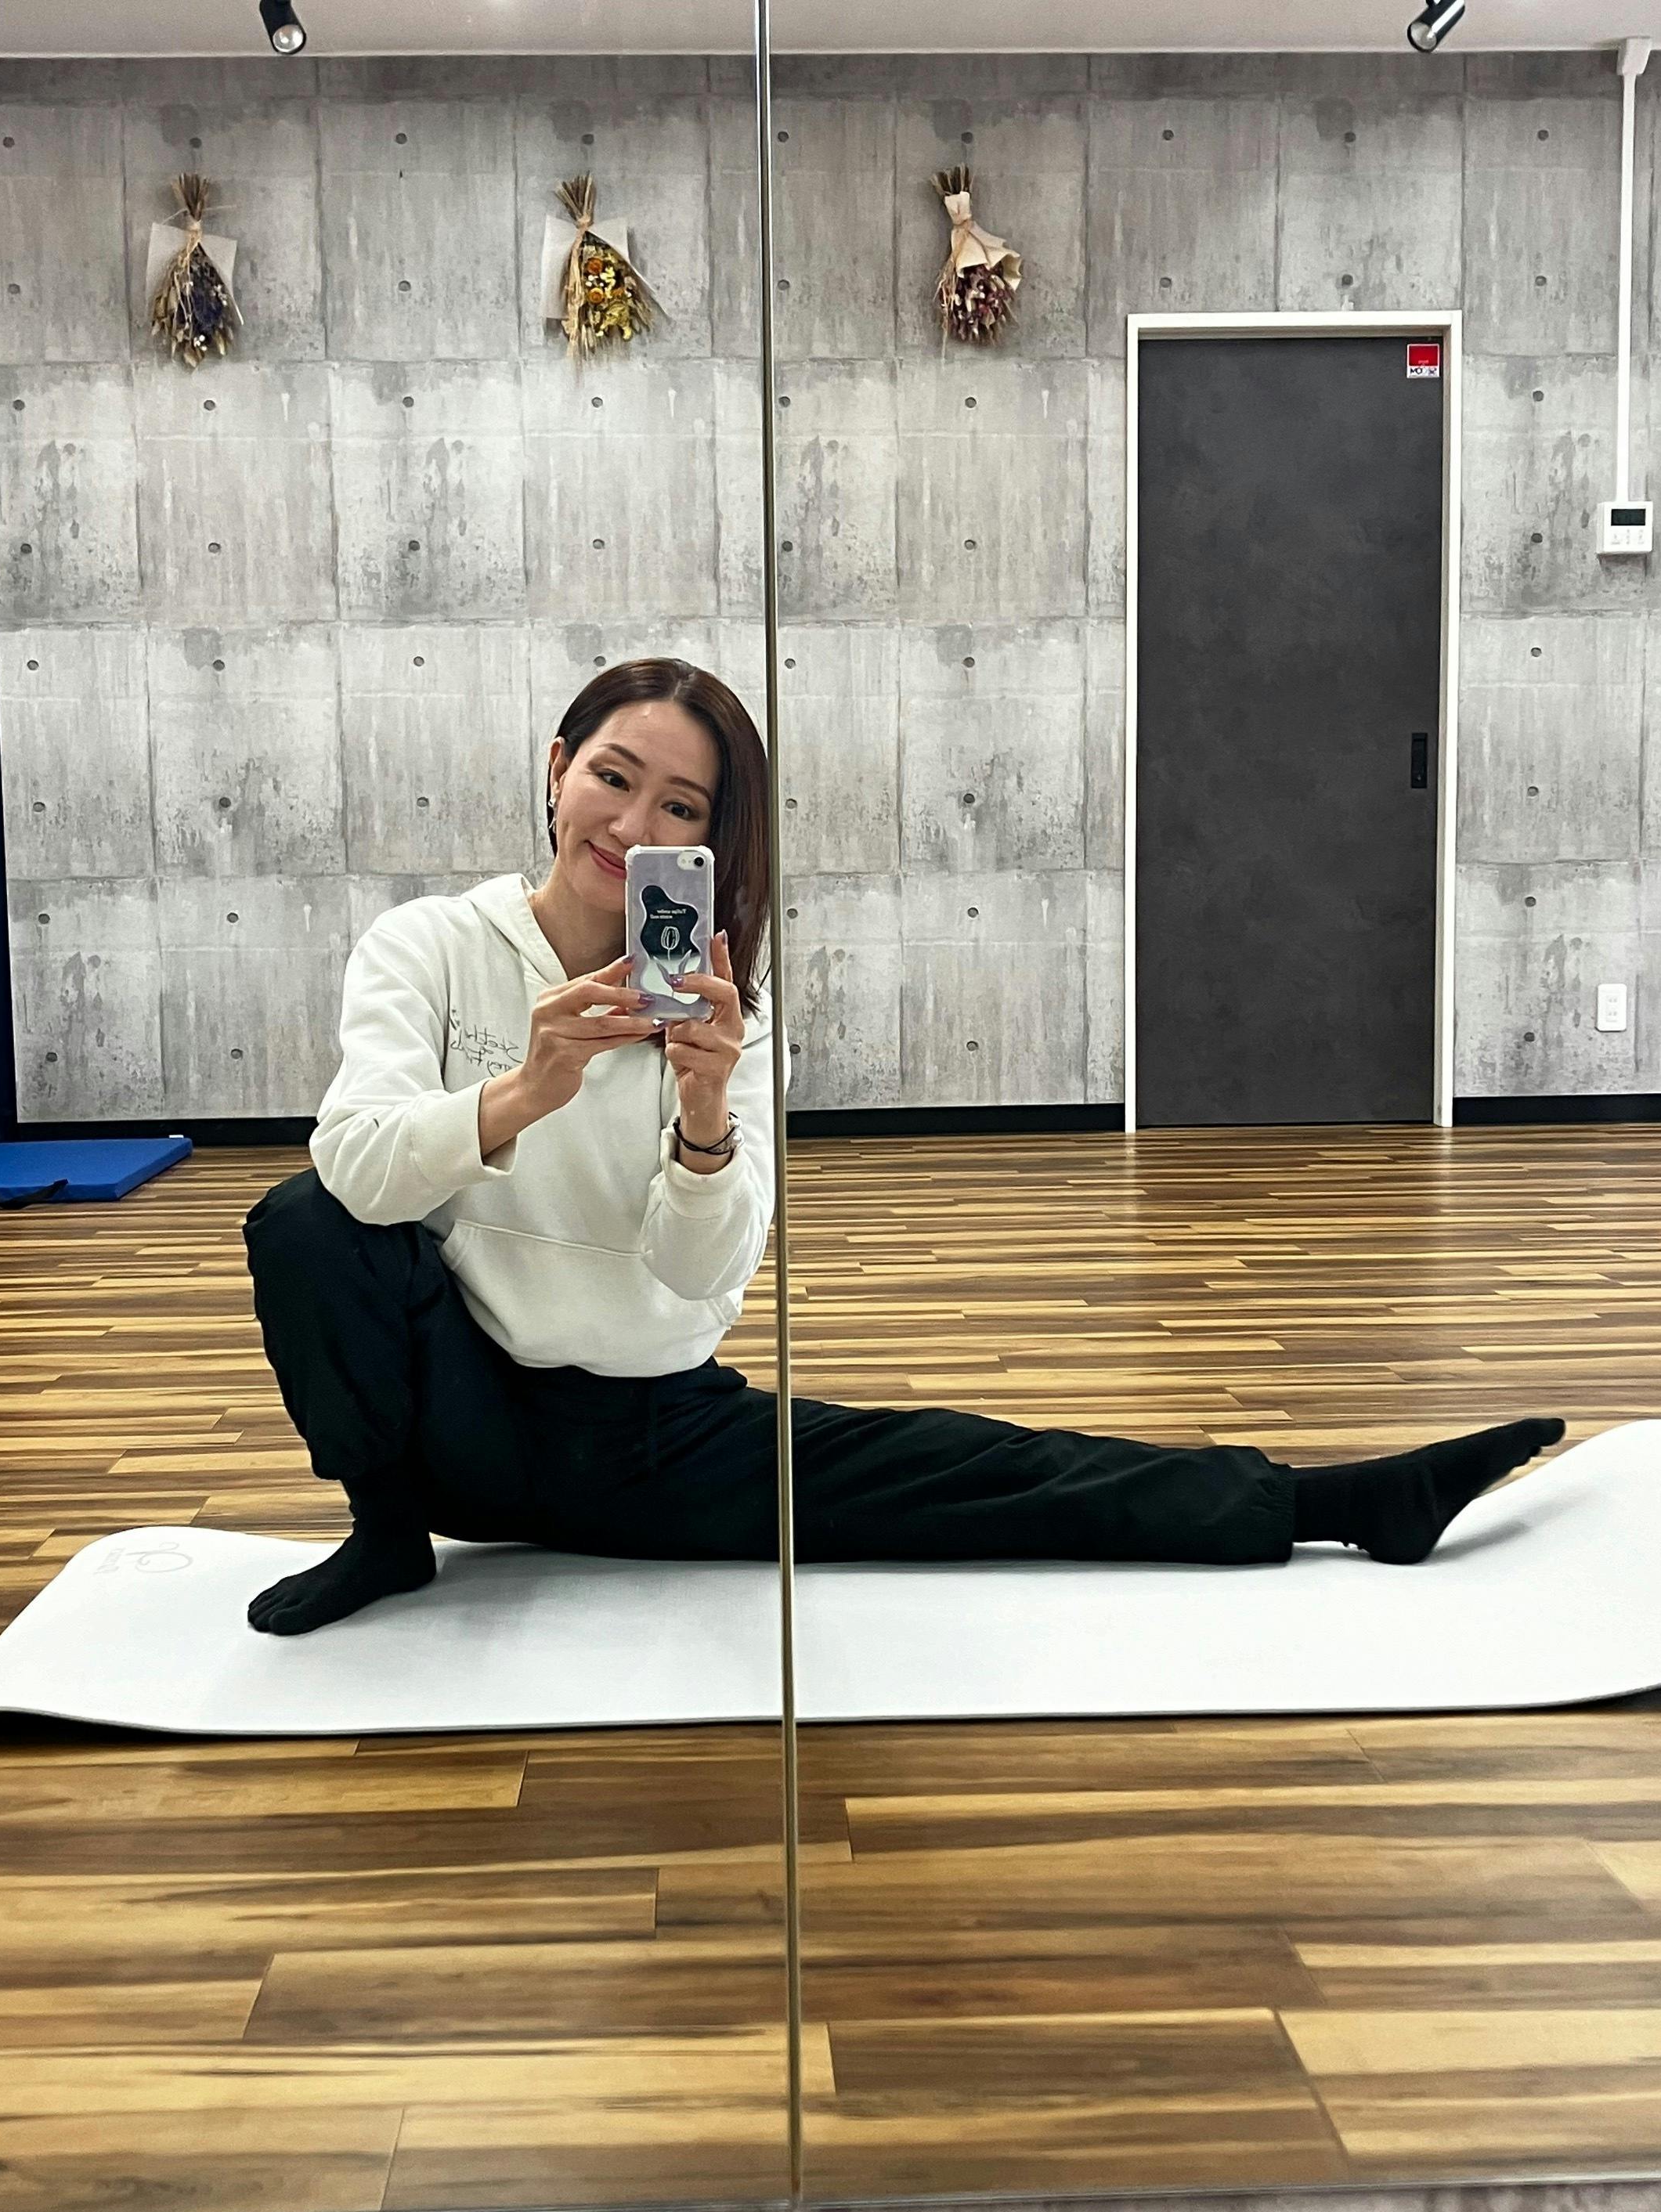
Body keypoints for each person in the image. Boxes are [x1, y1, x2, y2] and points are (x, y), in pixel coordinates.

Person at [242, 657, 1563, 1636]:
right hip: (460, 1419)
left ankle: (1333, 1505)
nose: (634, 828)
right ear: (556, 769)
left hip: (648, 1435)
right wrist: (525, 1090)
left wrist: (704, 1119)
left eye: (682, 808)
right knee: (304, 1217)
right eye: (613, 777)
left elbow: (701, 1285)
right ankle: (386, 1534)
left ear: (712, 842)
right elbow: (357, 1169)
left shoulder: (723, 1012)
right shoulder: (428, 947)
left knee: (972, 1474)